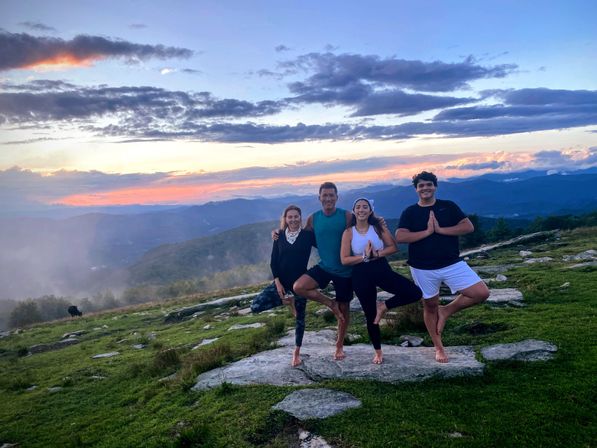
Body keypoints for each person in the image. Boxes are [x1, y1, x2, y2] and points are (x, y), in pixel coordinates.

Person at [395, 171, 490, 363]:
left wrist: (440, 230)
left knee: (481, 293)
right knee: (430, 306)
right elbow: (401, 237)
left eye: (428, 184)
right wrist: (428, 232)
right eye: (421, 186)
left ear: (435, 186)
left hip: (451, 263)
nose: (425, 188)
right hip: (422, 267)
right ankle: (438, 347)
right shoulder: (410, 212)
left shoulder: (448, 206)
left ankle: (446, 311)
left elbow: (467, 227)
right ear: (416, 189)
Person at [340, 198, 422, 364]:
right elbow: (344, 259)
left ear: (370, 211)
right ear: (353, 211)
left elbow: (393, 247)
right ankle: (378, 351)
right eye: (358, 207)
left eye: (365, 207)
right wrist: (364, 257)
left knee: (414, 292)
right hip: (360, 273)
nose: (361, 209)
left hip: (381, 268)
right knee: (371, 315)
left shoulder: (377, 227)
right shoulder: (348, 232)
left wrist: (375, 254)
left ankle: (383, 306)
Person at [291, 182, 354, 360]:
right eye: (324, 195)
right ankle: (330, 303)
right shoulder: (313, 218)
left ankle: (339, 345)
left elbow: (365, 225)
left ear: (336, 197)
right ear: (319, 198)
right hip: (324, 266)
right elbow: (300, 237)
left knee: (344, 312)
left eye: (331, 195)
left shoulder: (347, 216)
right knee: (299, 286)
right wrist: (279, 233)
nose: (328, 199)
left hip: (345, 270)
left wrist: (379, 222)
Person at [251, 205, 315, 366]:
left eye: (296, 216)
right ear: (285, 219)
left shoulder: (307, 235)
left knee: (300, 319)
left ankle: (296, 352)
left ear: (300, 218)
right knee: (255, 306)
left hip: (300, 283)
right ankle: (288, 301)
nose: (293, 219)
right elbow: (273, 261)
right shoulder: (278, 236)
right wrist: (277, 282)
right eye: (290, 217)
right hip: (282, 281)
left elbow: (326, 246)